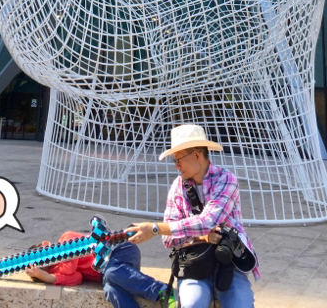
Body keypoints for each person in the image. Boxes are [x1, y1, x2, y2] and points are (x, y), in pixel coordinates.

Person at [124, 125, 259, 308]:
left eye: (178, 159)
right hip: (194, 263)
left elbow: (207, 221)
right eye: (174, 161)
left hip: (229, 261)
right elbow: (168, 239)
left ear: (196, 155)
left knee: (241, 304)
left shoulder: (226, 179)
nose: (176, 166)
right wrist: (201, 237)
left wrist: (154, 227)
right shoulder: (178, 187)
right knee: (192, 304)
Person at [26, 230, 176, 308]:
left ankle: (162, 291)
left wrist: (54, 266)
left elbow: (70, 267)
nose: (44, 263)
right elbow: (76, 278)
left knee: (111, 272)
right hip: (109, 274)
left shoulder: (67, 239)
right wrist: (48, 277)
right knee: (111, 290)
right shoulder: (57, 270)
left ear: (46, 245)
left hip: (119, 249)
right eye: (42, 266)